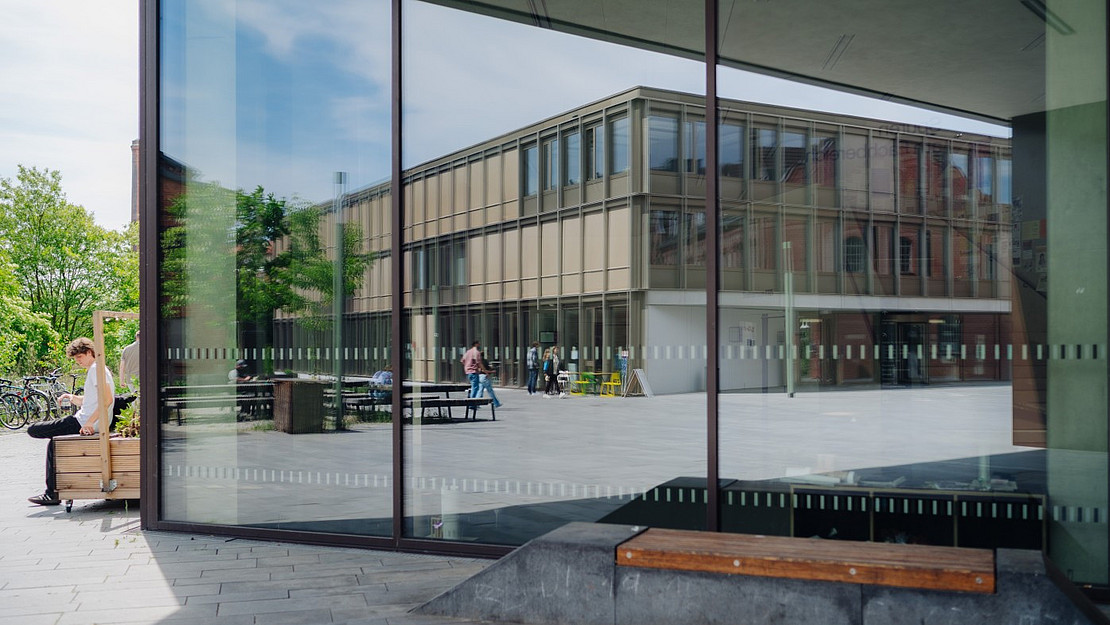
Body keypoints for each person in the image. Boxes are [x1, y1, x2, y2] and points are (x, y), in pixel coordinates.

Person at [27, 337, 116, 506]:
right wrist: (72, 397)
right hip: (84, 420)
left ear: (89, 352)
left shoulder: (97, 369)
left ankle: (52, 494)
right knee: (53, 443)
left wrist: (89, 423)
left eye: (79, 358)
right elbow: (92, 400)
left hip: (82, 422)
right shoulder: (98, 369)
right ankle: (51, 493)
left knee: (33, 430)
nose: (78, 362)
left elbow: (107, 399)